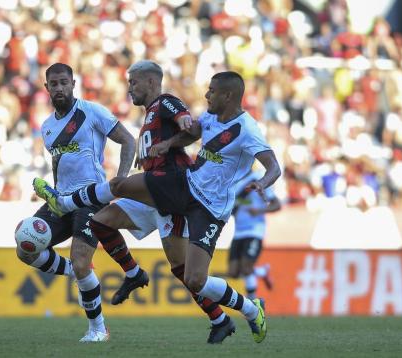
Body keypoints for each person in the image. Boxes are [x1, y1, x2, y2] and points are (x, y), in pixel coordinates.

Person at [34, 71, 281, 343]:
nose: (206, 95)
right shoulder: (207, 117)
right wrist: (168, 143)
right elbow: (193, 132)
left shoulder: (232, 123)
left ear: (228, 95)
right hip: (183, 190)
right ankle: (134, 273)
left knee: (192, 276)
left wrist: (262, 184)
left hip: (206, 205)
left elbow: (273, 166)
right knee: (103, 217)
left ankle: (245, 309)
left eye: (212, 91)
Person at [65, 60, 234, 343]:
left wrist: (181, 128)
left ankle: (221, 319)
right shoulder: (149, 117)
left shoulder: (165, 102)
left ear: (152, 83)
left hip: (171, 194)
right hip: (150, 193)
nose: (130, 88)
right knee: (100, 222)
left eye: (134, 82)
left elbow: (188, 125)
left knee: (182, 270)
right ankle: (134, 273)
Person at [16, 63, 135, 342]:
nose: (59, 88)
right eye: (53, 84)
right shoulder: (46, 128)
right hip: (61, 201)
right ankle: (75, 271)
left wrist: (119, 182)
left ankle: (98, 329)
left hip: (90, 198)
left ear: (73, 83)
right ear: (46, 88)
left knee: (82, 262)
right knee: (25, 249)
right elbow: (60, 165)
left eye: (63, 83)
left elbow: (128, 141)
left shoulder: (91, 112)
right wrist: (54, 194)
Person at [228, 171, 281, 300]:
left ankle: (252, 302)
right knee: (233, 272)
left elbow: (277, 205)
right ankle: (262, 272)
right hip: (238, 232)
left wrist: (259, 210)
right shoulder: (232, 181)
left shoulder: (258, 179)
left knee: (246, 267)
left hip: (254, 231)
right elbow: (233, 207)